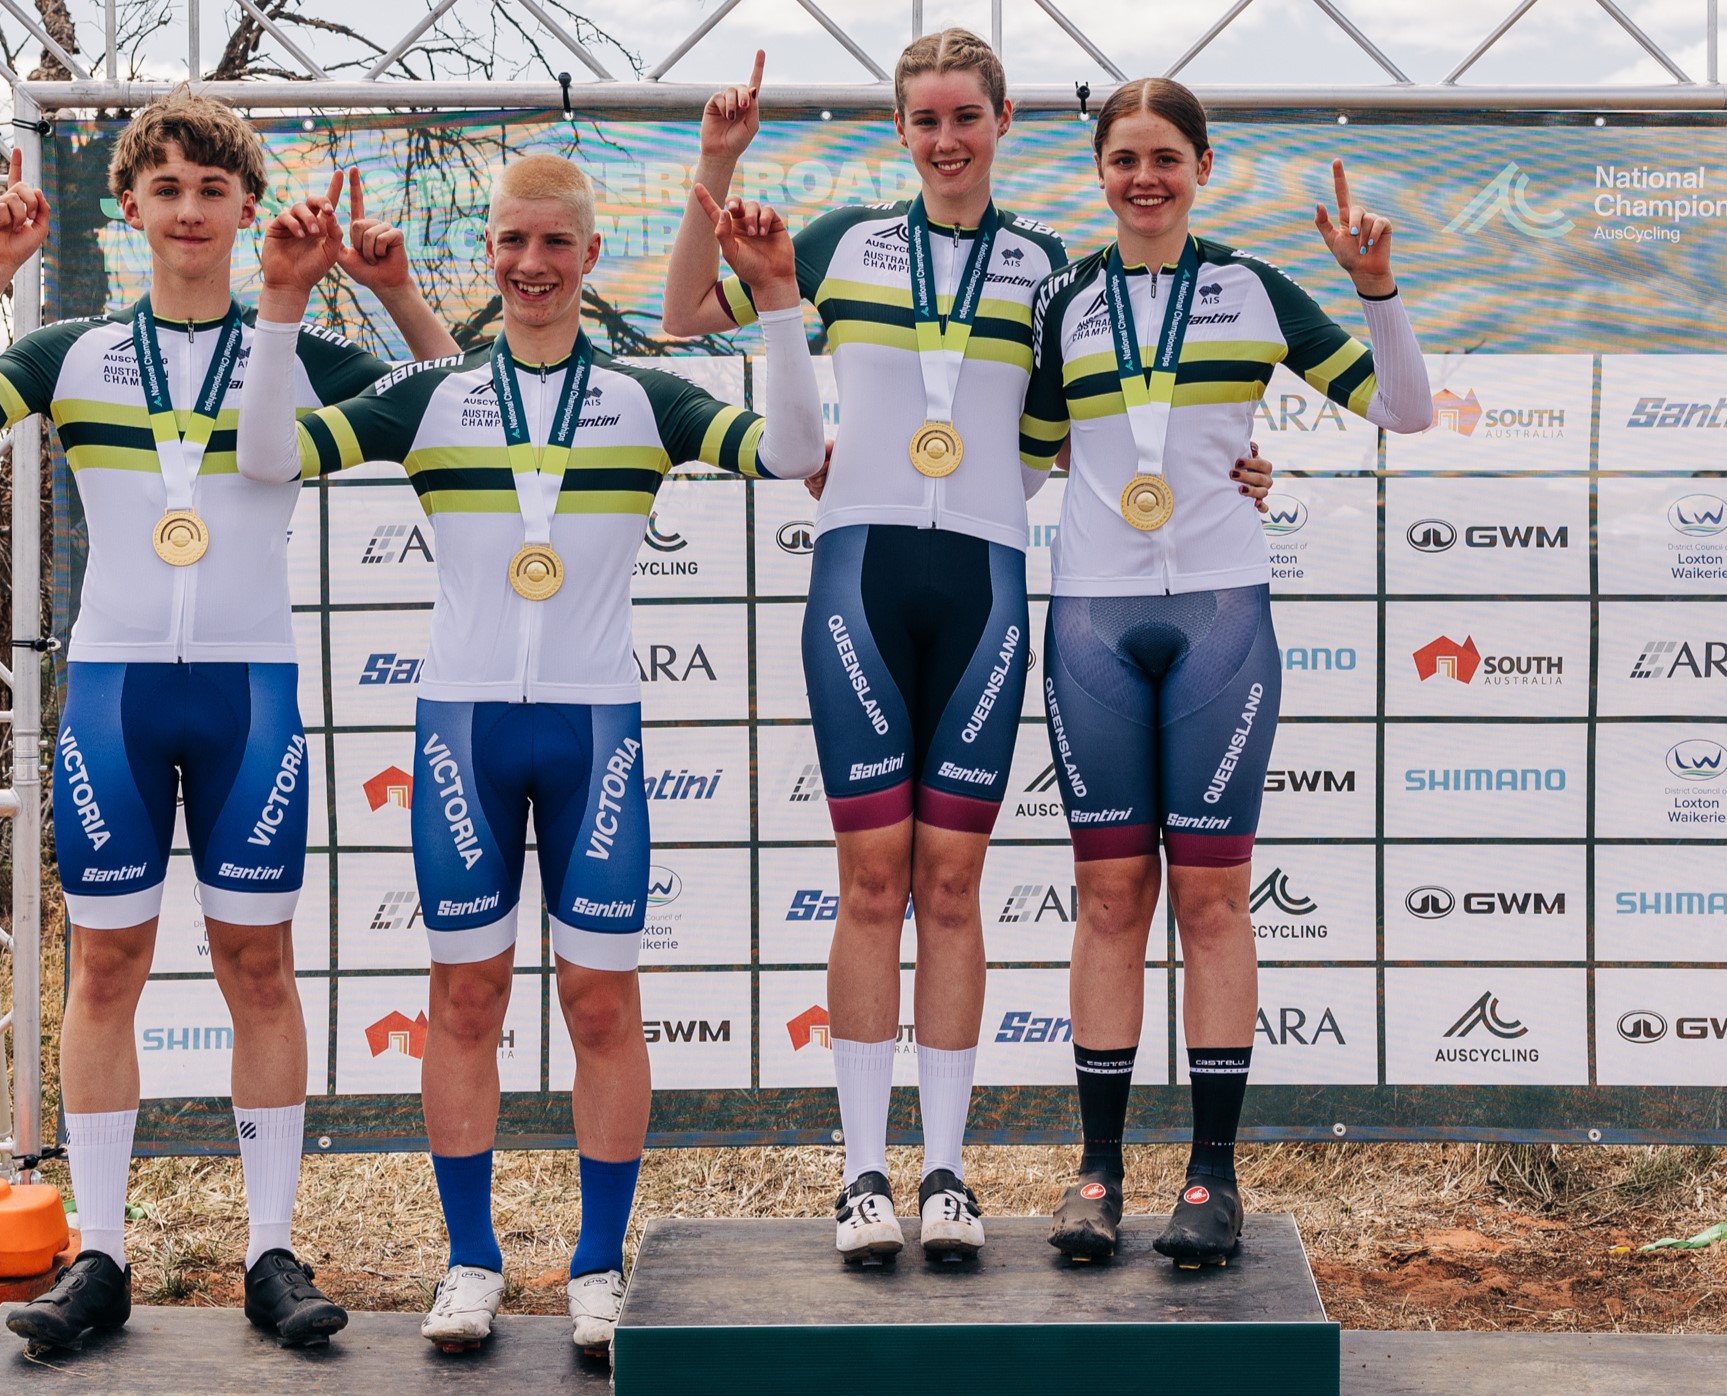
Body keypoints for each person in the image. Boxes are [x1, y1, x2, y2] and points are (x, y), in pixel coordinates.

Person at [663, 34, 1277, 1264]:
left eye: (966, 116)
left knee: (950, 885)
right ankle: (859, 1174)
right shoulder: (841, 243)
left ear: (1001, 124)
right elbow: (682, 313)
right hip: (861, 577)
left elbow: (1107, 426)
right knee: (870, 882)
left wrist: (1230, 465)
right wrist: (711, 163)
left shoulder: (1052, 273)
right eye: (924, 119)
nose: (945, 138)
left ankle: (947, 1171)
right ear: (901, 131)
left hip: (990, 580)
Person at [0, 88, 460, 1349]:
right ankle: (99, 1254)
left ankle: (268, 1252)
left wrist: (397, 294)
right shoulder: (75, 352)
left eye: (213, 190)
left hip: (249, 692)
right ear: (128, 208)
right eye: (167, 190)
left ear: (249, 210)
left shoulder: (298, 348)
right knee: (105, 967)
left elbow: (468, 414)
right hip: (117, 692)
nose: (190, 211)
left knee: (259, 967)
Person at [237, 155, 824, 1354]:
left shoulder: (648, 399)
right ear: (490, 253)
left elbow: (788, 456)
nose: (532, 265)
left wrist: (777, 303)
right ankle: (470, 1263)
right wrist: (284, 305)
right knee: (465, 995)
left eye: (556, 244)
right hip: (462, 728)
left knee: (603, 1003)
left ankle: (599, 1266)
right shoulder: (435, 395)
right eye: (511, 242)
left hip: (593, 727)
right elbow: (262, 461)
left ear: (589, 256)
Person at [1023, 77, 1433, 1268]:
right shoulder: (1061, 298)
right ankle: (1096, 1171)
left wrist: (1376, 292)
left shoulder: (1250, 289)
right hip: (1093, 620)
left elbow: (1402, 412)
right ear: (1097, 172)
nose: (1143, 177)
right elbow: (1024, 466)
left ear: (1203, 166)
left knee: (1209, 898)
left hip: (1218, 619)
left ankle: (1209, 1177)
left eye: (1165, 156)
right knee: (1107, 899)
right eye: (1122, 159)